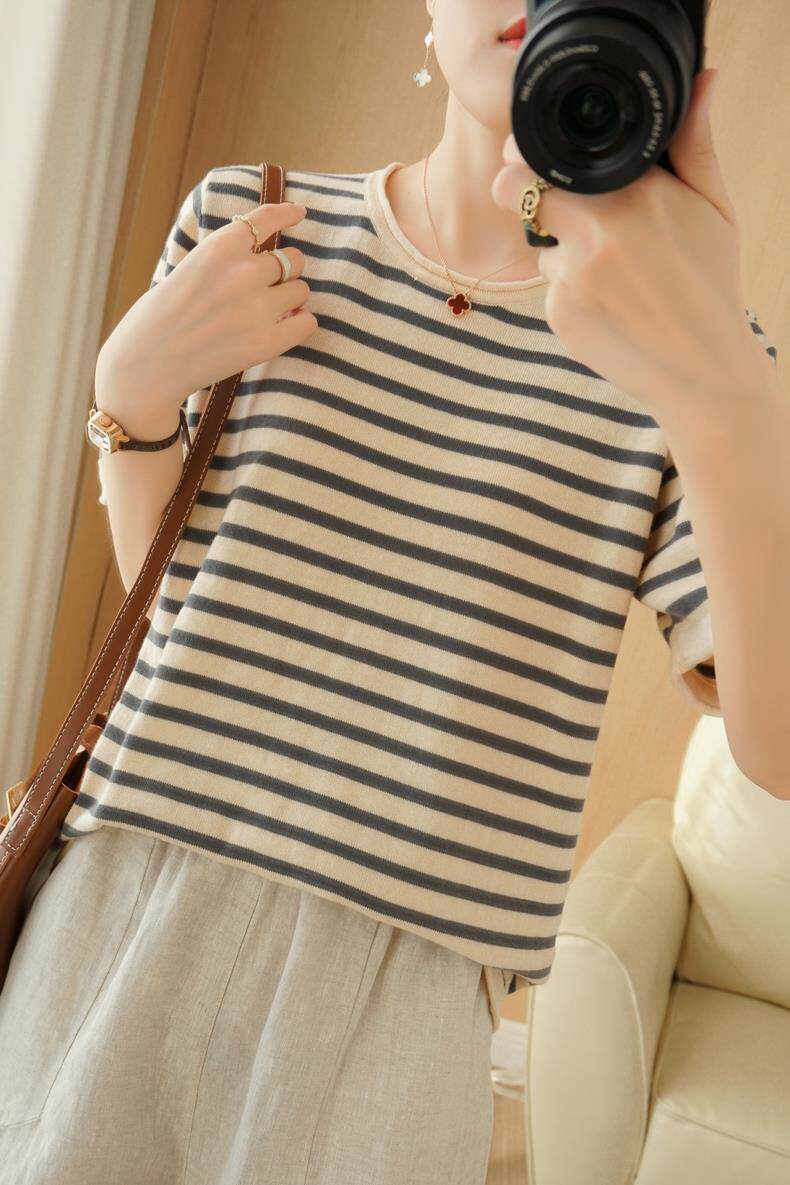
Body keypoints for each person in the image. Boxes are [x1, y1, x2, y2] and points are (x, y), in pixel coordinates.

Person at [0, 3, 780, 1184]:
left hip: (406, 990)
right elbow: (184, 612)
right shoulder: (249, 221)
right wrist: (129, 401)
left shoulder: (688, 349)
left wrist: (725, 393)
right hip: (133, 895)